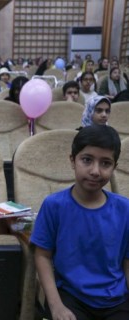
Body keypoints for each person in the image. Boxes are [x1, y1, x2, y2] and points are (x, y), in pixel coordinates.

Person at [31, 125, 129, 320]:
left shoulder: (124, 208)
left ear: (114, 167)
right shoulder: (54, 206)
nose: (95, 171)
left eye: (105, 163)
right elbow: (42, 256)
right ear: (72, 161)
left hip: (116, 299)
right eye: (87, 160)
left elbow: (127, 261)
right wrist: (56, 306)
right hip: (71, 297)